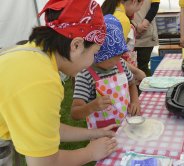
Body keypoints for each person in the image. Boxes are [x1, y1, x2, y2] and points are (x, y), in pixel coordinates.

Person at [0, 0, 118, 165]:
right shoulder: (41, 80)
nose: (92, 61)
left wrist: (92, 133)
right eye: (95, 52)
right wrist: (90, 152)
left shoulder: (31, 55)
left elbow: (47, 127)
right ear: (76, 45)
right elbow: (43, 163)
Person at [71, 14, 141, 130]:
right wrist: (92, 107)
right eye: (111, 58)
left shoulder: (121, 64)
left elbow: (132, 83)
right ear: (96, 54)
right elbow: (75, 113)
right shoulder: (85, 75)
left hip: (126, 124)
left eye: (119, 56)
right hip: (102, 133)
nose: (116, 61)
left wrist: (135, 101)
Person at [101, 0, 146, 84]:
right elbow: (115, 56)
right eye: (141, 5)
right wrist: (136, 72)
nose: (139, 10)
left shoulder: (105, 10)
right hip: (110, 74)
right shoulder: (122, 20)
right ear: (134, 1)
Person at [132, 0, 160, 76]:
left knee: (143, 66)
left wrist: (143, 25)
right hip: (129, 31)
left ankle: (145, 87)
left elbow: (155, 7)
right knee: (129, 67)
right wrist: (135, 26)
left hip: (147, 33)